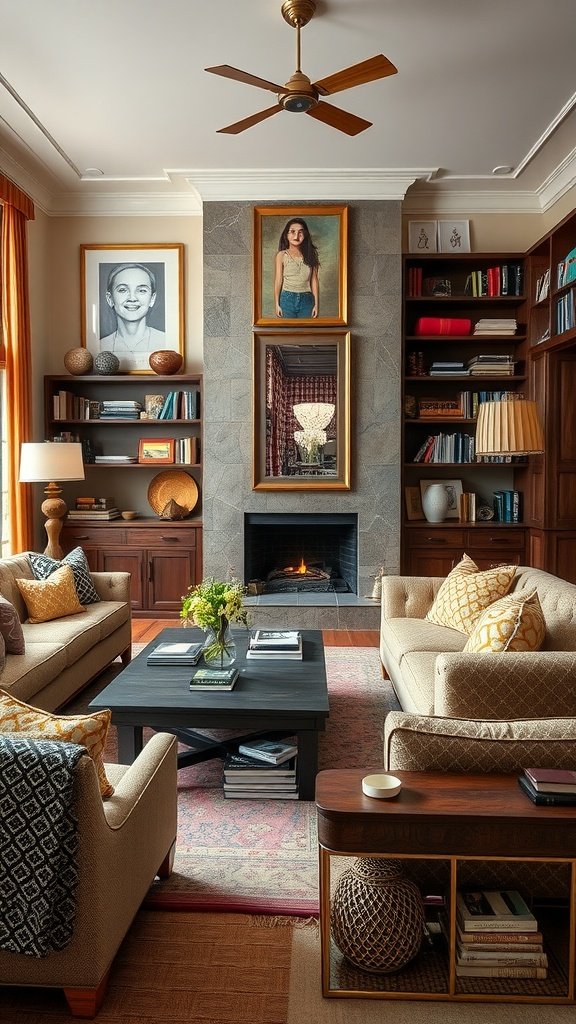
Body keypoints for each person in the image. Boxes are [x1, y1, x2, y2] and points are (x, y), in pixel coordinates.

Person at [99, 263, 166, 353]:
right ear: (110, 298)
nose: (132, 298)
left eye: (142, 290)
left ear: (152, 299)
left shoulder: (165, 342)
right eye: (123, 290)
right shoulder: (100, 346)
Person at [274, 218, 319, 318]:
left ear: (305, 235)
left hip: (307, 300)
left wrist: (316, 305)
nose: (296, 236)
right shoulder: (281, 255)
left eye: (300, 232)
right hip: (287, 299)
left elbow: (314, 280)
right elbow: (278, 280)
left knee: (306, 328)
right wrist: (277, 304)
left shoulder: (311, 254)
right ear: (286, 234)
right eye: (292, 231)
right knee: (288, 328)